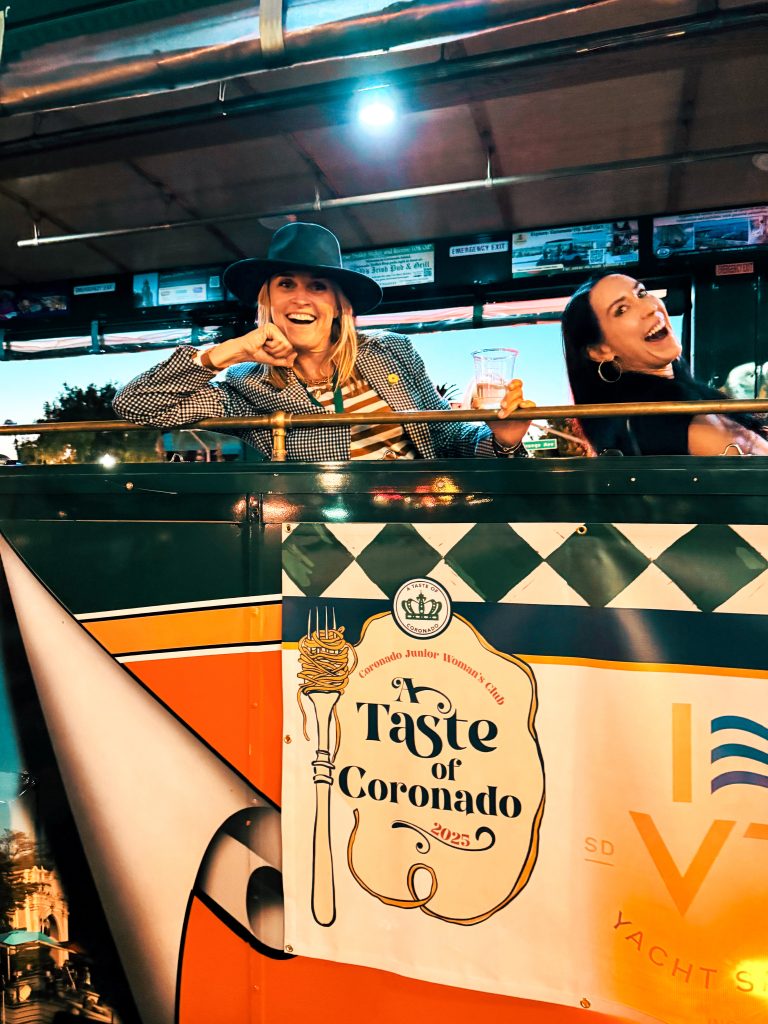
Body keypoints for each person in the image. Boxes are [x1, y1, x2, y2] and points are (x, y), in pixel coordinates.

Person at [114, 223, 534, 460]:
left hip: (428, 527)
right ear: (268, 301)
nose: (300, 298)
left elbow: (449, 440)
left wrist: (504, 439)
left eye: (317, 286)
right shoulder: (246, 385)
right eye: (285, 284)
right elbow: (134, 404)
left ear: (337, 305)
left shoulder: (392, 351)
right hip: (322, 551)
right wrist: (231, 350)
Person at [561, 273, 768, 455]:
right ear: (600, 351)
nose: (649, 307)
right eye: (621, 309)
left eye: (641, 293)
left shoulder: (687, 399)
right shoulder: (661, 420)